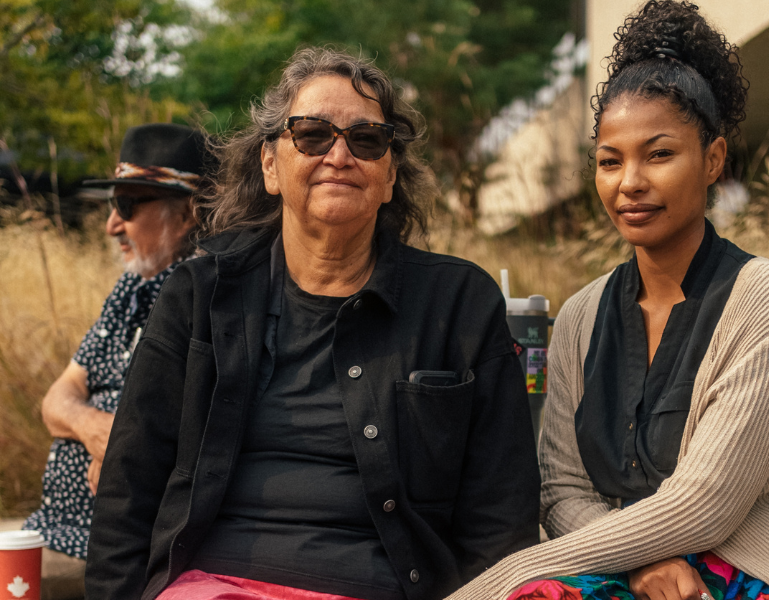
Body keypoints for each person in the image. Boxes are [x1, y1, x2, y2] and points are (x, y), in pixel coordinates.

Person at [443, 3, 769, 600]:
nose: (630, 182)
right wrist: (643, 564)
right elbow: (560, 489)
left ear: (714, 161)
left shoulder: (764, 299)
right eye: (609, 161)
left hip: (767, 573)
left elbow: (704, 506)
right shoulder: (579, 317)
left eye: (660, 154)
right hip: (633, 576)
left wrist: (510, 572)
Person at [85, 47, 540, 600]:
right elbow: (129, 488)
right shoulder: (199, 295)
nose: (340, 155)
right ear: (270, 165)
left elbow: (500, 511)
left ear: (390, 173)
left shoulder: (460, 304)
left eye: (367, 138)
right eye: (312, 134)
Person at [22, 123, 215, 600]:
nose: (111, 224)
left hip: (126, 548)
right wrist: (95, 428)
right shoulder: (131, 288)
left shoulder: (207, 299)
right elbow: (56, 399)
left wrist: (128, 446)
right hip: (57, 530)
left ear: (189, 214)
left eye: (126, 205)